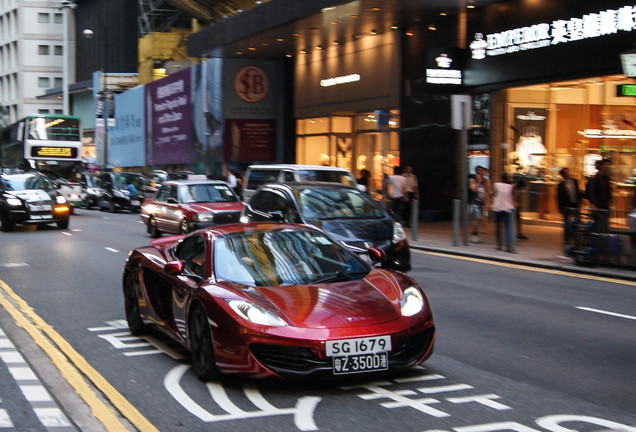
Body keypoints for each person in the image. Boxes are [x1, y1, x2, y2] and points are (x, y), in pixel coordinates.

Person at [491, 172, 515, 252]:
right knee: (507, 227)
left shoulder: (496, 185)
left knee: (498, 227)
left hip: (498, 207)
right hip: (507, 208)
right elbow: (512, 196)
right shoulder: (510, 187)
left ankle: (499, 244)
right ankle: (508, 243)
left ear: (500, 178)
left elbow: (493, 194)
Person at [557, 167, 581, 243]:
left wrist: (579, 201)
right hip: (566, 205)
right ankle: (567, 239)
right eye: (564, 173)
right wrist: (560, 208)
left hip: (575, 204)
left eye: (567, 172)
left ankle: (576, 238)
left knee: (576, 221)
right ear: (562, 175)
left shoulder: (575, 181)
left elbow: (578, 192)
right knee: (567, 223)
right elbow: (559, 197)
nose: (567, 174)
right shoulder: (561, 185)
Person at [468, 165, 491, 243]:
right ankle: (474, 235)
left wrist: (487, 203)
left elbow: (488, 192)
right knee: (477, 218)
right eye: (479, 171)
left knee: (479, 219)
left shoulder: (487, 181)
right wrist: (478, 181)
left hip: (482, 202)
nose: (481, 172)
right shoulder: (473, 179)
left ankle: (475, 235)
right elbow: (473, 189)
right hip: (475, 202)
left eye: (482, 171)